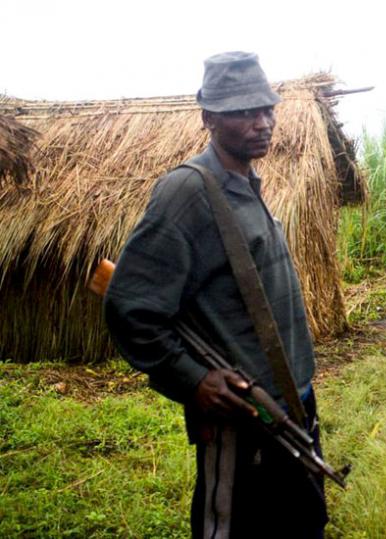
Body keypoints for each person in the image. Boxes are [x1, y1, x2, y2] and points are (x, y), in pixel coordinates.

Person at [104, 52, 328, 537]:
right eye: (244, 111)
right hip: (242, 424)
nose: (262, 122)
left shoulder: (246, 182)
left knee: (301, 522)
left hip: (293, 404)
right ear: (209, 117)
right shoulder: (188, 192)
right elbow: (129, 307)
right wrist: (194, 380)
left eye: (266, 109)